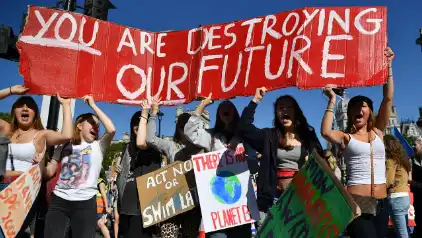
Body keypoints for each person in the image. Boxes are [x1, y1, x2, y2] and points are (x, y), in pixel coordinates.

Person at [321, 47, 395, 238]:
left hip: (381, 202)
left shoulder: (378, 131)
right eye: (353, 107)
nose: (358, 110)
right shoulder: (347, 138)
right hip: (356, 202)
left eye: (362, 106)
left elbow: (387, 98)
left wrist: (388, 66)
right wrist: (332, 100)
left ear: (369, 110)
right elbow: (326, 132)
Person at [238, 87, 322, 228]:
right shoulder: (268, 137)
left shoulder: (308, 136)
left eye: (289, 107)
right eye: (281, 107)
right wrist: (256, 100)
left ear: (296, 112)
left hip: (298, 199)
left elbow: (320, 161)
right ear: (276, 114)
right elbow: (243, 127)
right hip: (271, 200)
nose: (285, 110)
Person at [0, 85, 73, 238]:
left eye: (30, 107)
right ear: (14, 111)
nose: (25, 108)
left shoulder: (41, 135)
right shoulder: (7, 130)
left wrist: (65, 105)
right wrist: (11, 91)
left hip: (22, 193)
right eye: (20, 106)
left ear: (35, 114)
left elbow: (67, 135)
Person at [43, 95, 116, 238]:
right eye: (92, 123)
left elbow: (112, 129)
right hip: (59, 201)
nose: (96, 127)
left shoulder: (98, 146)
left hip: (86, 203)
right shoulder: (63, 144)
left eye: (98, 125)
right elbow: (49, 171)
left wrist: (93, 105)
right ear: (79, 125)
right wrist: (39, 162)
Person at [184, 94, 251, 238]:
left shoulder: (244, 136)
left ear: (235, 112)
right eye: (222, 108)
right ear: (218, 114)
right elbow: (190, 133)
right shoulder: (211, 136)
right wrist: (202, 105)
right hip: (217, 202)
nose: (225, 110)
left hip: (240, 202)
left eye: (229, 108)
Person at [140, 98, 202, 238]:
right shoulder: (170, 145)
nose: (184, 131)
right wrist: (154, 114)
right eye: (182, 127)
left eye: (188, 127)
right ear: (178, 128)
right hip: (172, 202)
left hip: (193, 203)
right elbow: (150, 139)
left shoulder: (201, 148)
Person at [117, 111, 161, 238]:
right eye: (135, 126)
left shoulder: (154, 148)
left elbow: (142, 142)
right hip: (125, 207)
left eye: (141, 124)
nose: (137, 128)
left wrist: (147, 112)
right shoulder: (127, 148)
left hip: (143, 211)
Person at [383, 135, 411, 237]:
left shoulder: (390, 161)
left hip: (396, 198)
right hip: (404, 197)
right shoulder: (403, 161)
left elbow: (388, 181)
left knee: (401, 233)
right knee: (405, 231)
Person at [410, 137, 422, 237]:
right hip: (418, 197)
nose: (413, 146)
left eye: (415, 144)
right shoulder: (412, 160)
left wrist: (413, 183)